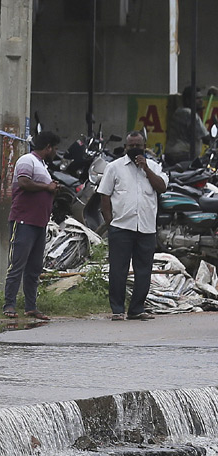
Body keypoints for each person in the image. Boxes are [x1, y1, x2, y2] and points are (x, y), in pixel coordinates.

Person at [98, 131, 166, 322]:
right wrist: (110, 223)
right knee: (118, 270)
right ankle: (117, 309)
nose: (134, 149)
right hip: (121, 228)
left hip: (146, 228)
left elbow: (161, 187)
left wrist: (147, 169)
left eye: (138, 145)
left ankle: (136, 309)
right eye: (131, 146)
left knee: (144, 270)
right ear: (125, 147)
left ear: (145, 147)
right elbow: (105, 196)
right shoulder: (114, 167)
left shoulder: (154, 166)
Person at [2, 131, 59, 321]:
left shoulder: (42, 165)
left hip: (39, 222)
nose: (56, 152)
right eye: (55, 148)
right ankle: (9, 304)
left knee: (34, 267)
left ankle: (31, 307)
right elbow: (25, 183)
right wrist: (47, 187)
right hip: (24, 221)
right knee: (17, 264)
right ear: (48, 147)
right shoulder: (27, 160)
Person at [165, 88, 208, 167]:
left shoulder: (179, 111)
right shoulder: (190, 114)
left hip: (172, 154)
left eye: (201, 98)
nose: (201, 101)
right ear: (188, 100)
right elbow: (206, 138)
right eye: (197, 98)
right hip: (183, 155)